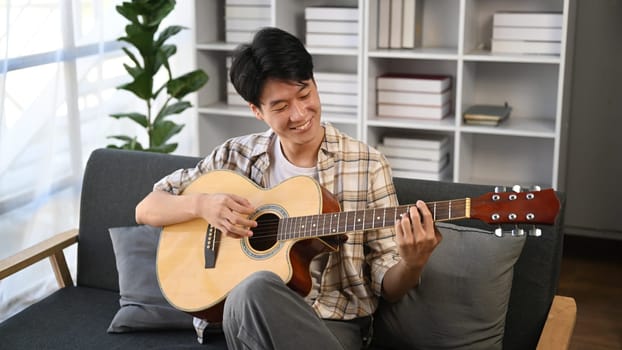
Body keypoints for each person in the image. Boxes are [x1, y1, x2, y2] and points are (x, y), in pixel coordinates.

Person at [135, 27, 441, 350]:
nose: (299, 115)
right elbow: (147, 208)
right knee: (252, 289)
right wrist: (202, 206)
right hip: (241, 320)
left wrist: (412, 263)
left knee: (254, 288)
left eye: (305, 94)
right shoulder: (233, 157)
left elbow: (388, 287)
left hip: (331, 327)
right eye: (280, 107)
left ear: (315, 83)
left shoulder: (367, 164)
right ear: (257, 110)